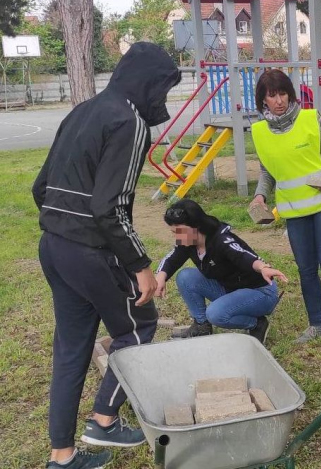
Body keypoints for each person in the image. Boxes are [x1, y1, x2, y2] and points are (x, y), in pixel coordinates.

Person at [32, 43, 181, 469]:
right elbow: (109, 208)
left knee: (72, 348)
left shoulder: (81, 111)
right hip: (89, 250)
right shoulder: (130, 122)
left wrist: (64, 229)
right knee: (140, 325)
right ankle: (104, 420)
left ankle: (62, 456)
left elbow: (40, 188)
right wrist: (141, 267)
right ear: (147, 82)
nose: (161, 101)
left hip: (54, 248)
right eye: (162, 89)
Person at [248, 69, 321, 353]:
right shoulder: (258, 132)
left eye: (283, 93)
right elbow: (268, 171)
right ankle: (316, 325)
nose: (279, 100)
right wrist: (259, 196)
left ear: (290, 95)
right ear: (263, 100)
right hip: (294, 211)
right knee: (306, 270)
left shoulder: (309, 118)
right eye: (272, 95)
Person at [156, 199, 287, 343]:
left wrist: (262, 267)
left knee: (215, 313)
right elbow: (172, 259)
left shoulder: (222, 240)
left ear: (196, 226)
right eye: (174, 232)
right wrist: (160, 276)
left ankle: (257, 324)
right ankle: (202, 326)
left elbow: (242, 255)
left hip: (259, 292)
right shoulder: (188, 242)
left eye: (180, 231)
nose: (177, 237)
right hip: (230, 288)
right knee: (185, 277)